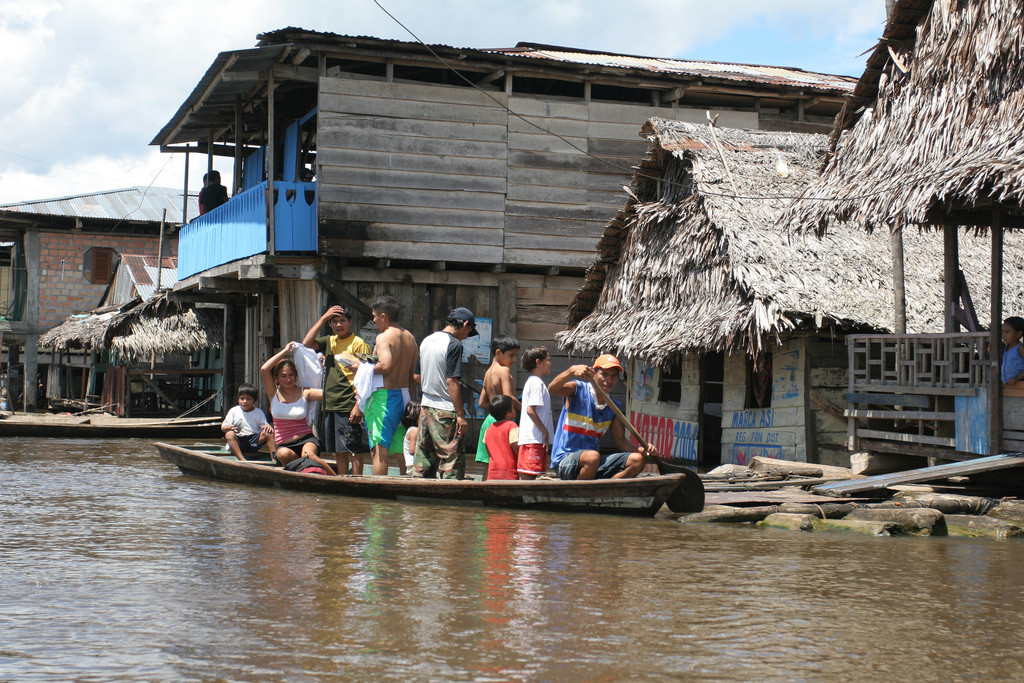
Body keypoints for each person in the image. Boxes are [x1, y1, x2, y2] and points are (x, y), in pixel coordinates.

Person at [548, 354, 652, 480]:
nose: (609, 380)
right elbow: (552, 389)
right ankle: (580, 494)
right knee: (592, 457)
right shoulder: (577, 389)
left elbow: (621, 442)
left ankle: (607, 490)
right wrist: (571, 371)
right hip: (565, 462)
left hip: (592, 464)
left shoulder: (613, 407)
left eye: (613, 376)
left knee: (638, 460)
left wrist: (642, 450)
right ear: (594, 373)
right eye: (604, 374)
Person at [302, 305, 371, 476]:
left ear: (350, 322)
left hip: (348, 402)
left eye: (342, 321)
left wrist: (358, 406)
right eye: (335, 322)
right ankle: (342, 479)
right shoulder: (330, 341)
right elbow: (306, 343)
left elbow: (367, 377)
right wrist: (322, 319)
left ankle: (356, 481)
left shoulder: (358, 343)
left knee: (353, 448)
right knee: (339, 450)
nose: (339, 325)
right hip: (331, 404)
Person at [355, 295, 418, 475]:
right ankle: (405, 486)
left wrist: (360, 367)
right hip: (404, 394)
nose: (373, 320)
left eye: (374, 316)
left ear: (383, 316)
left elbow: (386, 365)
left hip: (384, 398)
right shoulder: (410, 338)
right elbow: (412, 374)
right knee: (400, 450)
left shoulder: (383, 337)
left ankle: (378, 495)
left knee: (379, 450)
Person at [413, 307, 478, 479]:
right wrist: (460, 415)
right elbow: (452, 381)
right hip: (445, 410)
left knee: (423, 460)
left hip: (425, 407)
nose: (465, 337)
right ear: (465, 324)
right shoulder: (454, 344)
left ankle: (417, 498)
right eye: (468, 332)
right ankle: (452, 500)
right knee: (450, 460)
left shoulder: (427, 340)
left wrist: (433, 383)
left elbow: (417, 376)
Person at [261, 342, 336, 475]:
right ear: (277, 378)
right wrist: (285, 351)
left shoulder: (305, 392)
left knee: (309, 455)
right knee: (283, 454)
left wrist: (326, 370)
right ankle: (306, 471)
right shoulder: (273, 394)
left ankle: (335, 478)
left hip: (306, 439)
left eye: (291, 375)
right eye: (283, 376)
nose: (288, 379)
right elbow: (264, 369)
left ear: (296, 376)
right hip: (284, 444)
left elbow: (329, 393)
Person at [475, 334, 521, 472]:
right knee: (505, 461)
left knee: (490, 465)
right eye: (511, 355)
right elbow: (508, 397)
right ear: (498, 352)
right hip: (504, 421)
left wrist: (495, 407)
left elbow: (482, 402)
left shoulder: (488, 373)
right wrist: (525, 409)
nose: (514, 359)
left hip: (490, 421)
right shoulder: (504, 371)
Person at [517, 345, 553, 480]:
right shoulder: (536, 383)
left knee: (531, 475)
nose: (550, 363)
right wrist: (544, 431)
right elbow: (530, 410)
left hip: (534, 438)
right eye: (548, 360)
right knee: (529, 477)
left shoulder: (534, 382)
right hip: (534, 438)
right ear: (538, 362)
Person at [221, 383, 273, 461]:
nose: (245, 401)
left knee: (269, 432)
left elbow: (264, 426)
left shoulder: (258, 412)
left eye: (248, 399)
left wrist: (268, 426)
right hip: (239, 441)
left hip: (253, 442)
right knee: (229, 434)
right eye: (242, 399)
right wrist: (229, 427)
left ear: (254, 400)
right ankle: (242, 459)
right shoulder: (234, 411)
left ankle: (274, 459)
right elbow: (223, 428)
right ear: (238, 399)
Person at [483, 395, 519, 481]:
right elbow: (516, 446)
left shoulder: (488, 429)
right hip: (509, 473)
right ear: (508, 413)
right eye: (513, 408)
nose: (515, 410)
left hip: (492, 473)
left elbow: (489, 451)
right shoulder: (512, 426)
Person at [389, 399, 421, 475]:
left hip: (411, 466)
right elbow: (412, 450)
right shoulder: (414, 431)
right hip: (414, 466)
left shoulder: (410, 430)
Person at [1002, 316, 1024, 385]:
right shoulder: (1005, 349)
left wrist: (1017, 378)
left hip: (1019, 386)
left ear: (1018, 334)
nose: (1003, 335)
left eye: (1007, 332)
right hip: (1006, 386)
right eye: (1002, 332)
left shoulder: (1020, 348)